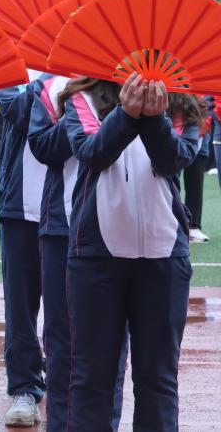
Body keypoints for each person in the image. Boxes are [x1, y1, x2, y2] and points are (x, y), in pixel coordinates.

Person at [61, 74, 198, 430]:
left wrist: (153, 119)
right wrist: (126, 114)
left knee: (158, 378)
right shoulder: (83, 96)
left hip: (164, 253)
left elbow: (174, 159)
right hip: (95, 254)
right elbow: (93, 153)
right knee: (92, 378)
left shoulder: (180, 100)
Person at [29, 72, 127, 432]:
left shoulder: (128, 82)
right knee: (61, 341)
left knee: (112, 342)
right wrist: (77, 112)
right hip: (62, 225)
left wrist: (119, 113)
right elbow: (41, 146)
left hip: (116, 226)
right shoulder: (50, 86)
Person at [0, 74, 47, 426]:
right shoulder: (13, 63)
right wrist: (54, 82)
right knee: (20, 305)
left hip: (77, 203)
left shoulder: (85, 60)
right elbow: (14, 109)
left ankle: (68, 377)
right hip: (21, 202)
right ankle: (24, 387)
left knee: (76, 304)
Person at [183, 96, 212, 243]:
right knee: (169, 183)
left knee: (195, 181)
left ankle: (193, 226)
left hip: (197, 126)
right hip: (174, 127)